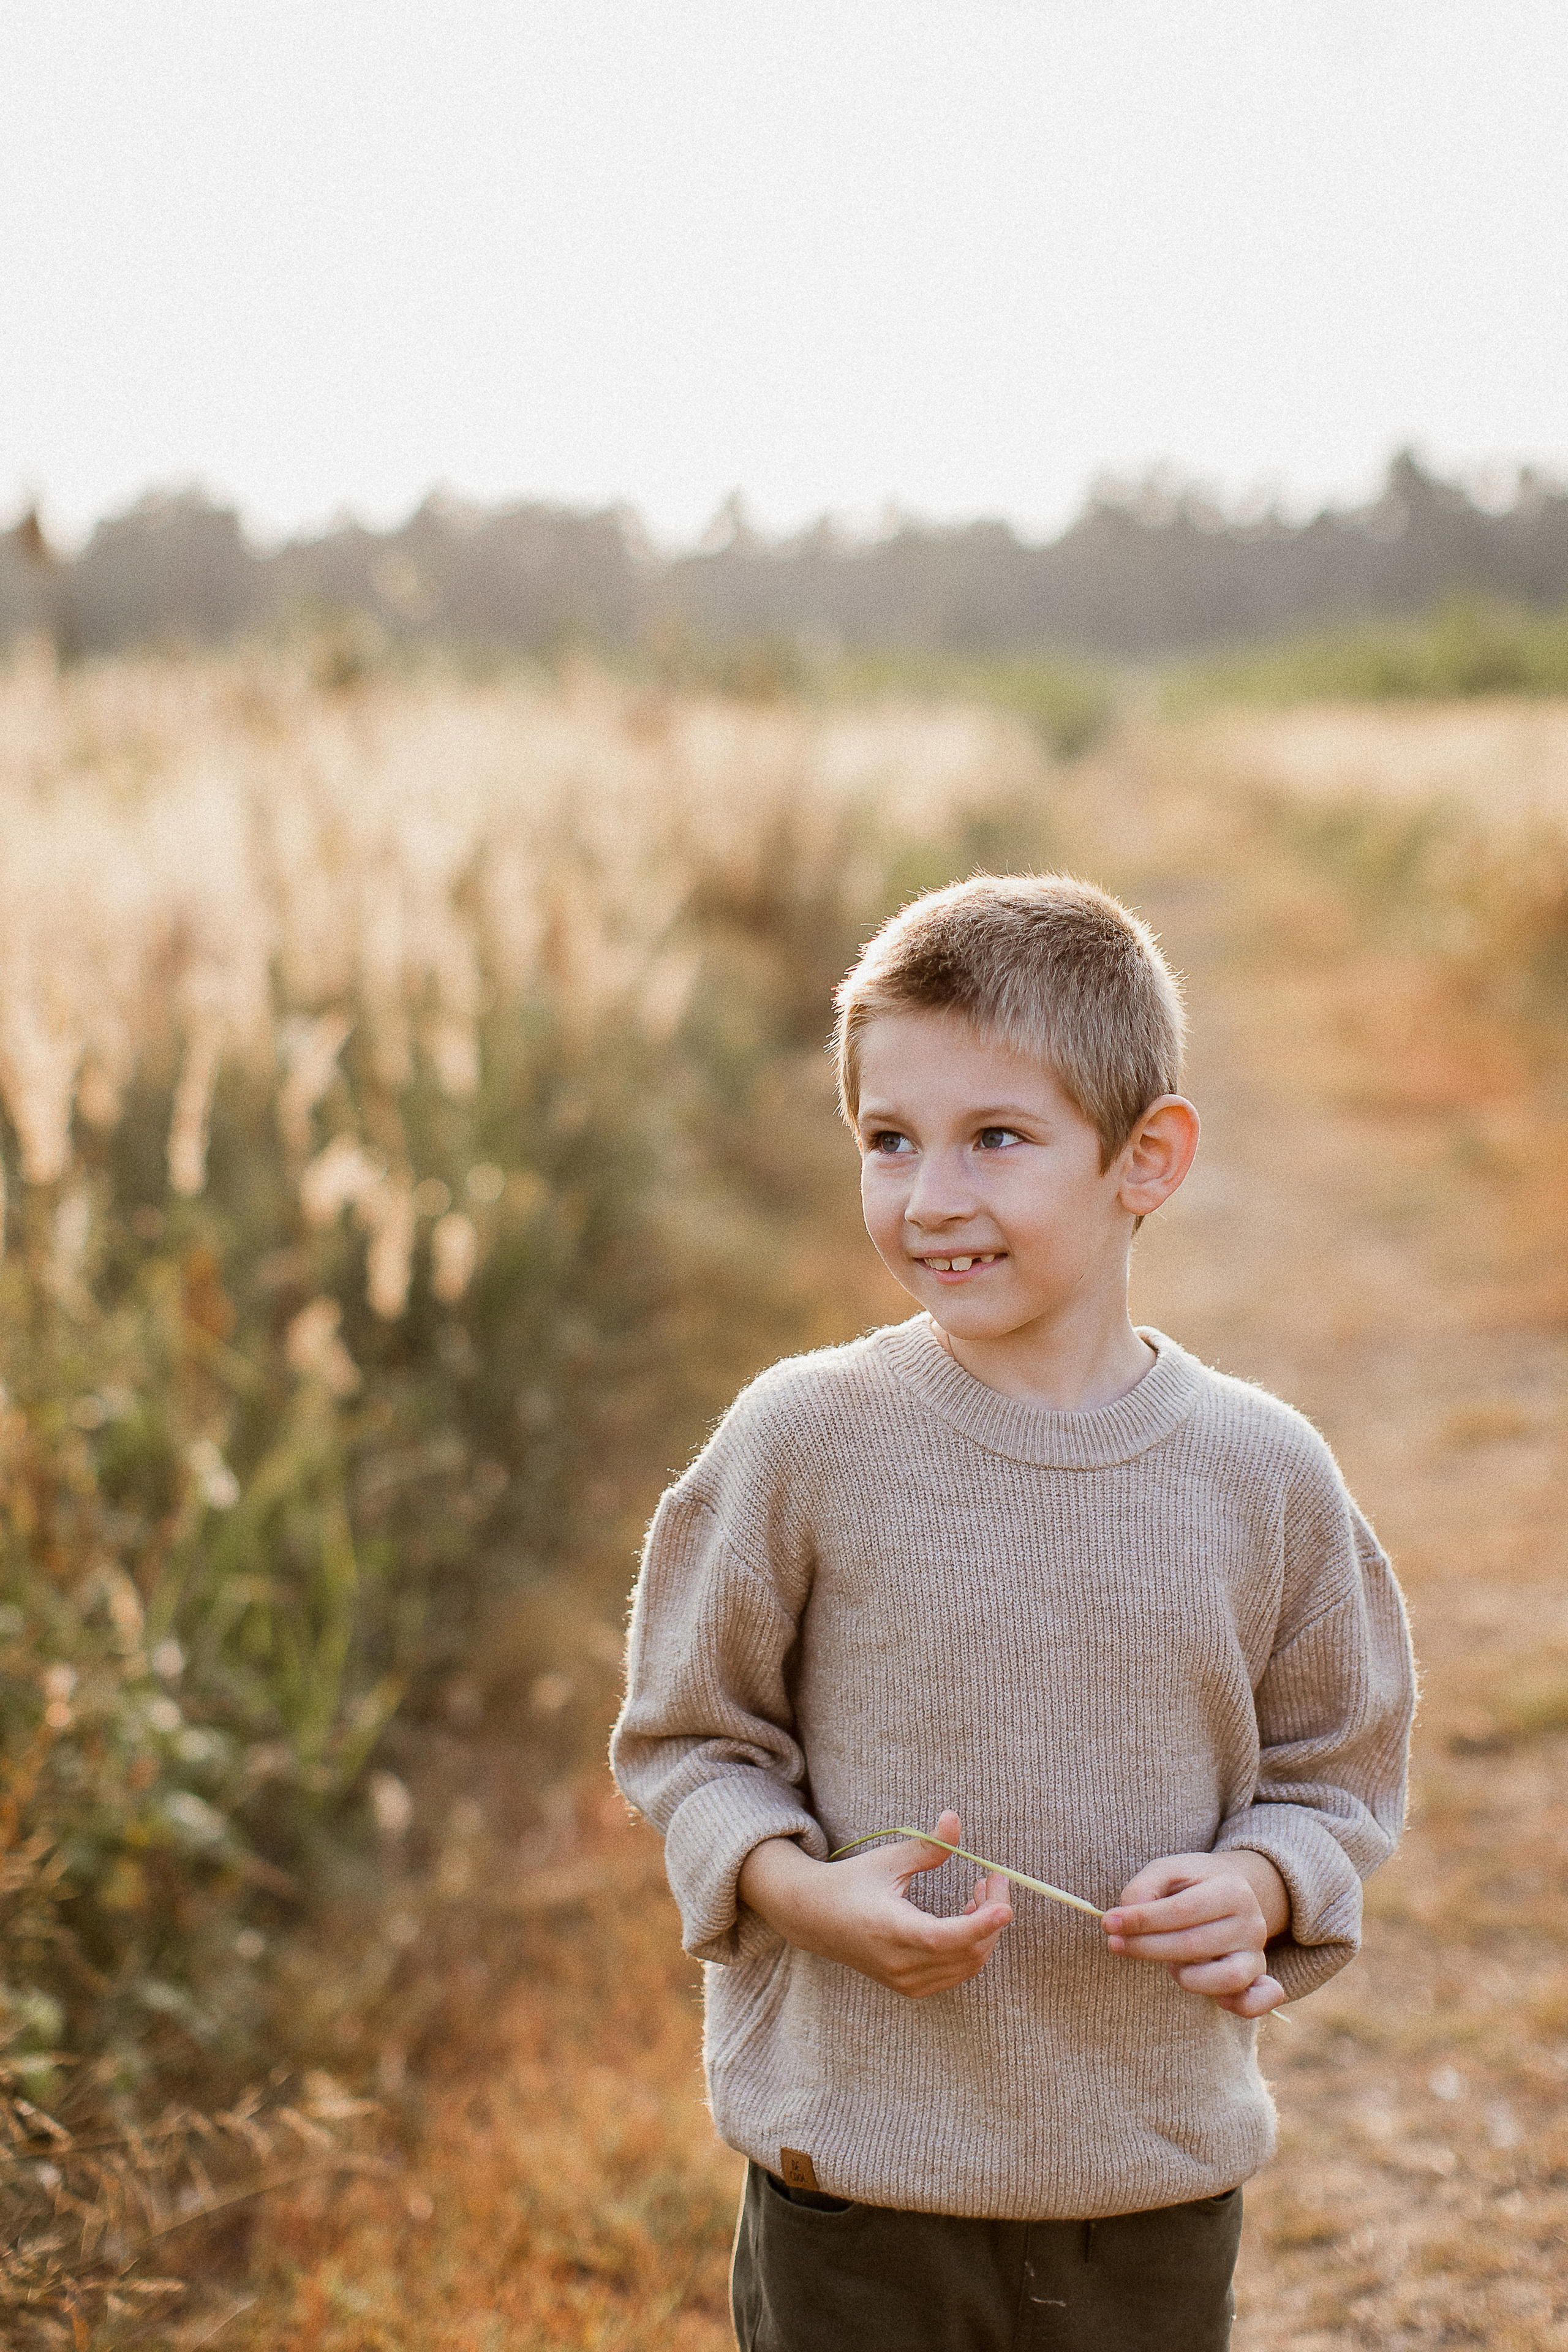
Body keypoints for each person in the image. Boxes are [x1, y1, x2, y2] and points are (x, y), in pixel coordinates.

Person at [610, 874, 1416, 2352]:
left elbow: (1335, 1776)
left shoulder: (1261, 1472)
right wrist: (797, 1896)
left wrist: (1261, 1885)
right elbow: (687, 1743)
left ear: (1144, 1158)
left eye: (996, 1138)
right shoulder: (803, 1441)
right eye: (887, 1141)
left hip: (1144, 2185)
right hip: (852, 2183)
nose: (930, 1200)